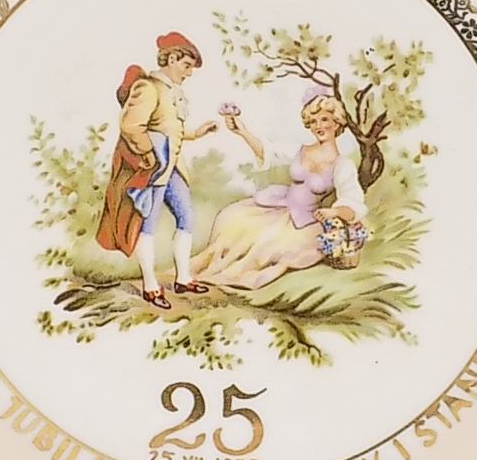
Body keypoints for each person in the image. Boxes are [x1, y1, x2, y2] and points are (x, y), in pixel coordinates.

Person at [190, 90, 367, 291]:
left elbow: (352, 201)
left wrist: (334, 212)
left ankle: (238, 277)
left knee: (268, 244)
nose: (319, 126)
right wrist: (243, 132)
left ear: (337, 122)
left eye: (324, 119)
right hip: (280, 207)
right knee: (233, 219)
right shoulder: (301, 150)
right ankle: (205, 271)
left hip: (305, 221)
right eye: (313, 121)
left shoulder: (342, 165)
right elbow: (268, 153)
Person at [95, 31, 217, 309]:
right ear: (171, 59)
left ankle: (183, 279)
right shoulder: (148, 87)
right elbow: (130, 126)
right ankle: (150, 286)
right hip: (152, 167)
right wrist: (149, 154)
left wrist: (196, 133)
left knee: (187, 217)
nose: (188, 73)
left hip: (172, 166)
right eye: (186, 65)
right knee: (147, 225)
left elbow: (170, 128)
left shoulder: (170, 91)